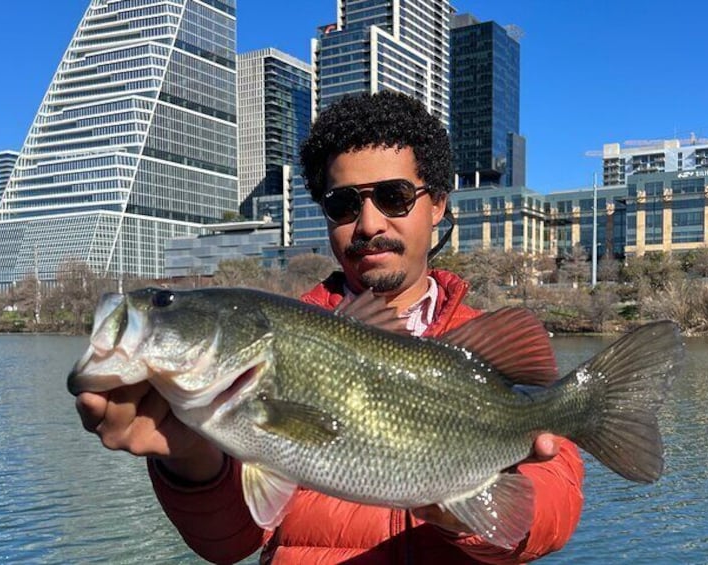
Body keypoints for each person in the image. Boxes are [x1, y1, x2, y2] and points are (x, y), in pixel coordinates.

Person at [75, 91, 584, 564]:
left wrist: (462, 509)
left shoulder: (486, 350)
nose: (368, 224)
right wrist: (188, 457)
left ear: (439, 206)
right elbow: (228, 543)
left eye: (394, 196)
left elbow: (549, 512)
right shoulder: (259, 364)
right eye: (343, 204)